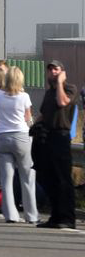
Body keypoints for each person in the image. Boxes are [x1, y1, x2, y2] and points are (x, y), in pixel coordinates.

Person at [34, 60, 78, 229]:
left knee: (62, 178)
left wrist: (60, 82)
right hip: (47, 137)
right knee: (48, 177)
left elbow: (63, 103)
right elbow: (44, 114)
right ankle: (55, 216)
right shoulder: (48, 93)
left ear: (62, 72)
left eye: (56, 69)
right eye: (50, 69)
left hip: (61, 136)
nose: (52, 72)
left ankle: (67, 218)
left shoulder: (69, 88)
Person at [0, 66, 38, 224]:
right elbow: (28, 118)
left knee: (6, 178)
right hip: (21, 137)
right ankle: (31, 214)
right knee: (26, 176)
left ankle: (11, 214)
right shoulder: (24, 96)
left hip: (3, 137)